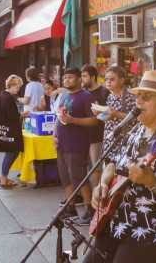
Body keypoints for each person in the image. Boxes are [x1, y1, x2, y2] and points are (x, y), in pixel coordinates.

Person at [83, 70, 156, 263]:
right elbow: (114, 165)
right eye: (138, 96)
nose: (138, 101)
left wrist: (152, 182)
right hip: (121, 219)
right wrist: (103, 184)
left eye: (146, 97)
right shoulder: (137, 129)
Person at [53, 67, 98, 224]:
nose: (67, 80)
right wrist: (54, 135)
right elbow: (59, 117)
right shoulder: (64, 95)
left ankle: (91, 209)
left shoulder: (86, 96)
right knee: (66, 177)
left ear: (79, 79)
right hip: (62, 143)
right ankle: (70, 208)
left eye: (71, 77)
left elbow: (94, 120)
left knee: (79, 177)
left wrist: (74, 120)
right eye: (65, 77)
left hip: (77, 143)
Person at [91, 66, 136, 163]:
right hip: (109, 143)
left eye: (112, 79)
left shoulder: (130, 95)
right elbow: (107, 119)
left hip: (123, 143)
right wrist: (98, 114)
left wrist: (117, 114)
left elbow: (137, 118)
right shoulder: (110, 96)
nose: (108, 81)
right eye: (106, 79)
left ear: (121, 80)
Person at [81, 64, 110, 188]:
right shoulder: (82, 93)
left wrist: (99, 114)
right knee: (82, 168)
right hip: (82, 136)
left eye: (84, 76)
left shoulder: (104, 92)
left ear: (92, 77)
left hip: (98, 136)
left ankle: (96, 196)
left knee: (96, 168)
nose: (82, 79)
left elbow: (109, 117)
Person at [0, 75, 24, 188]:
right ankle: (3, 177)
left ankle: (3, 175)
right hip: (11, 129)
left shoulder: (3, 94)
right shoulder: (7, 97)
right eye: (17, 86)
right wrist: (22, 114)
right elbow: (11, 115)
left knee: (11, 152)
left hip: (6, 128)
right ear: (11, 85)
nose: (18, 89)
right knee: (12, 151)